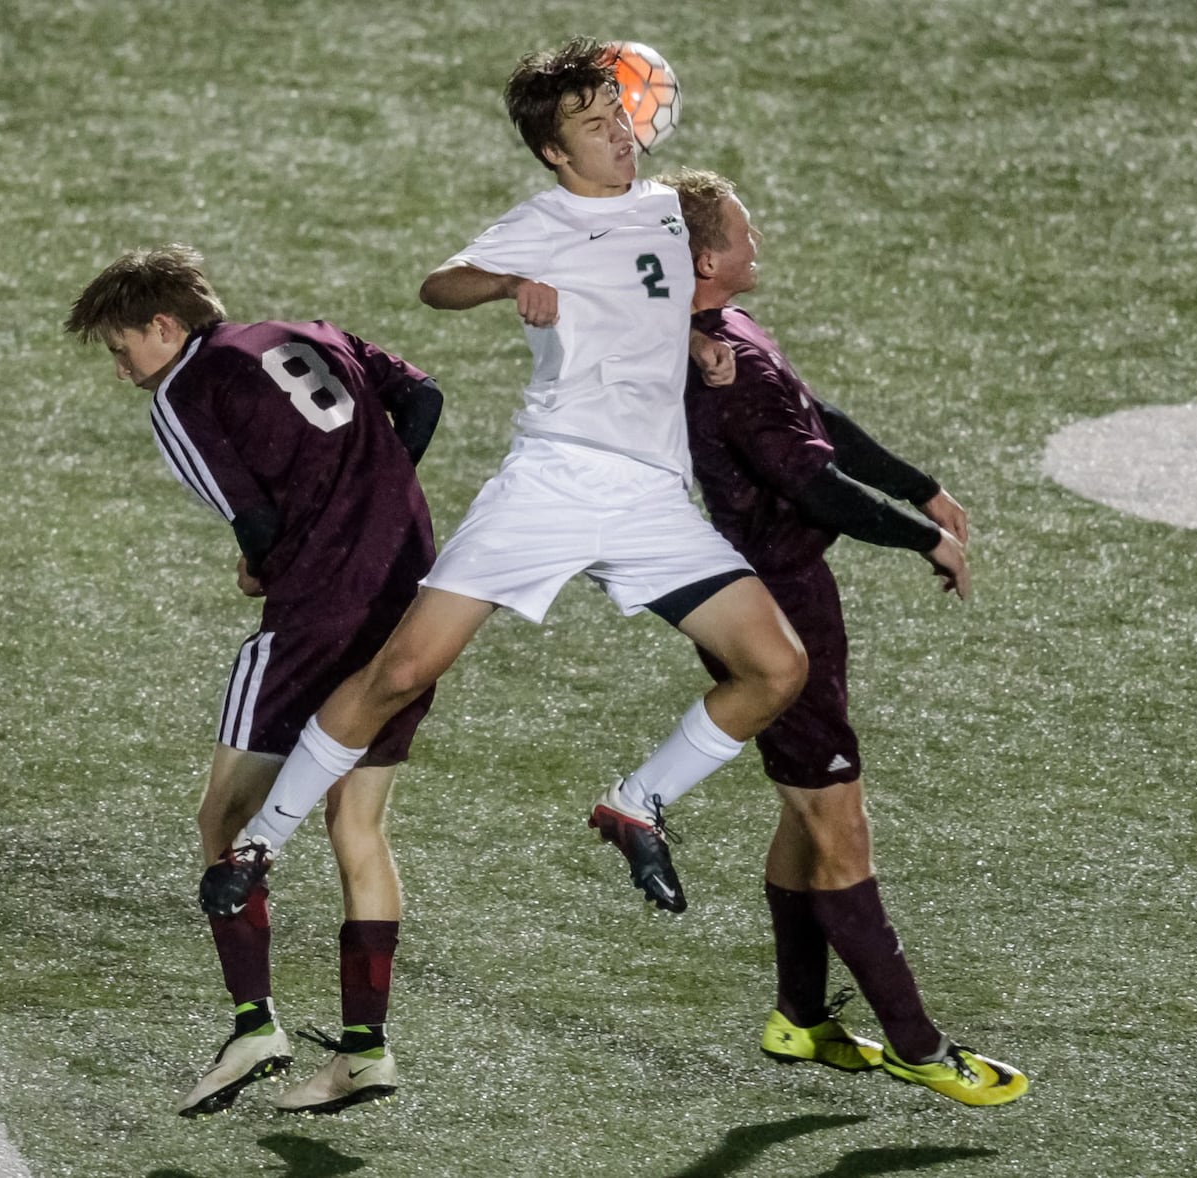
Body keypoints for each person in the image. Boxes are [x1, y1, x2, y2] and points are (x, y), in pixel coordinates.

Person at [200, 37, 808, 924]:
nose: (618, 136)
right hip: (553, 480)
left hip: (648, 497)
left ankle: (636, 802)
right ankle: (266, 841)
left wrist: (697, 340)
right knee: (403, 668)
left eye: (617, 119)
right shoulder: (546, 220)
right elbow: (436, 286)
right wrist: (512, 278)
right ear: (556, 152)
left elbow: (647, 297)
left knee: (775, 668)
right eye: (595, 128)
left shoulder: (671, 210)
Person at [665, 167, 1029, 1106]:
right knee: (838, 820)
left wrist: (919, 485)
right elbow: (813, 486)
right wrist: (927, 540)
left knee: (808, 804)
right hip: (770, 604)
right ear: (706, 259)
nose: (758, 243)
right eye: (744, 233)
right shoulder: (723, 371)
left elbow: (819, 423)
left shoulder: (731, 337)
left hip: (789, 591)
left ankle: (800, 1018)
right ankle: (917, 1045)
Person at [65, 245, 444, 1116]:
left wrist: (262, 562)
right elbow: (422, 399)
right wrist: (372, 501)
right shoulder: (309, 331)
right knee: (359, 822)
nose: (124, 371)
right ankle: (364, 1051)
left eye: (124, 350)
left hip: (318, 610)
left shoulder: (184, 393)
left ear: (166, 326)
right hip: (410, 592)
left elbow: (260, 520)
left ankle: (254, 1023)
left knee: (222, 819)